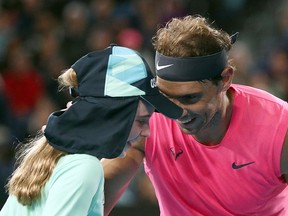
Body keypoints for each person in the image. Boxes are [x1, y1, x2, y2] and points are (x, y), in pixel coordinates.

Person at [103, 15, 288, 215]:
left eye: (189, 97)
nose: (174, 112)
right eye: (165, 97)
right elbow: (96, 197)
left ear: (225, 79)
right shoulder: (145, 119)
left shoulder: (280, 126)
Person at [0, 45, 183, 216]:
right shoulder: (85, 167)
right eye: (141, 121)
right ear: (111, 116)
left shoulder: (53, 156)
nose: (147, 132)